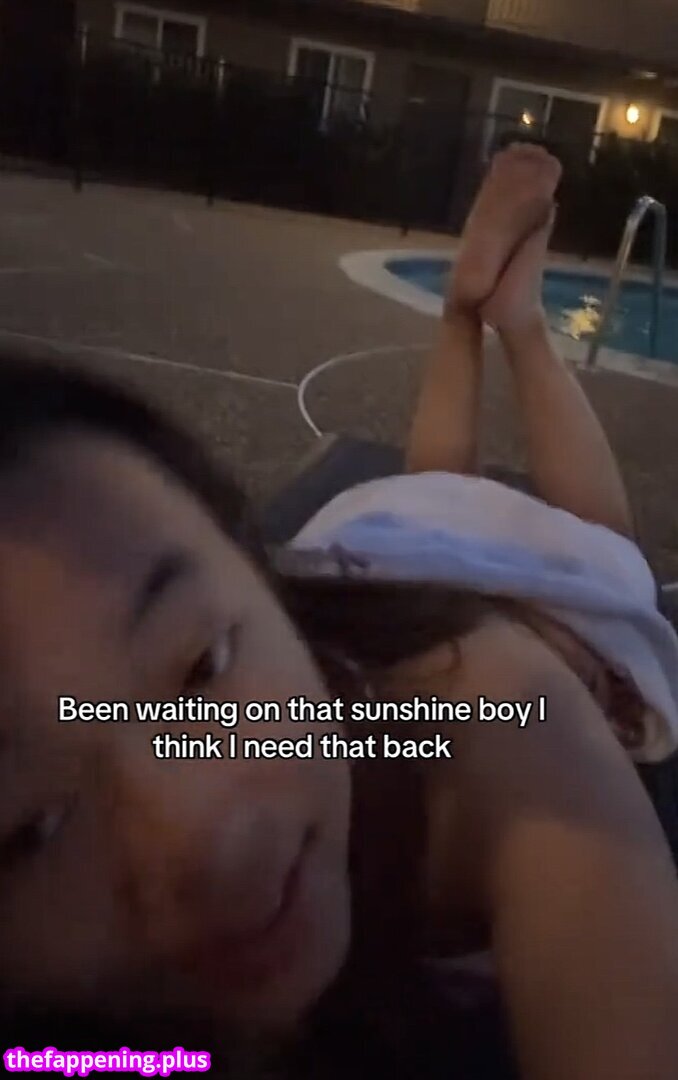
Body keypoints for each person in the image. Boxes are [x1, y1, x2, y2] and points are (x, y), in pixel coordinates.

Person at [0, 144, 676, 1080]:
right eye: (31, 830)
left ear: (260, 572)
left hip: (475, 618)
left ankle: (507, 320)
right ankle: (484, 314)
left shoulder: (497, 727)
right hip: (380, 549)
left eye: (202, 671)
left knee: (604, 561)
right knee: (441, 512)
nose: (217, 849)